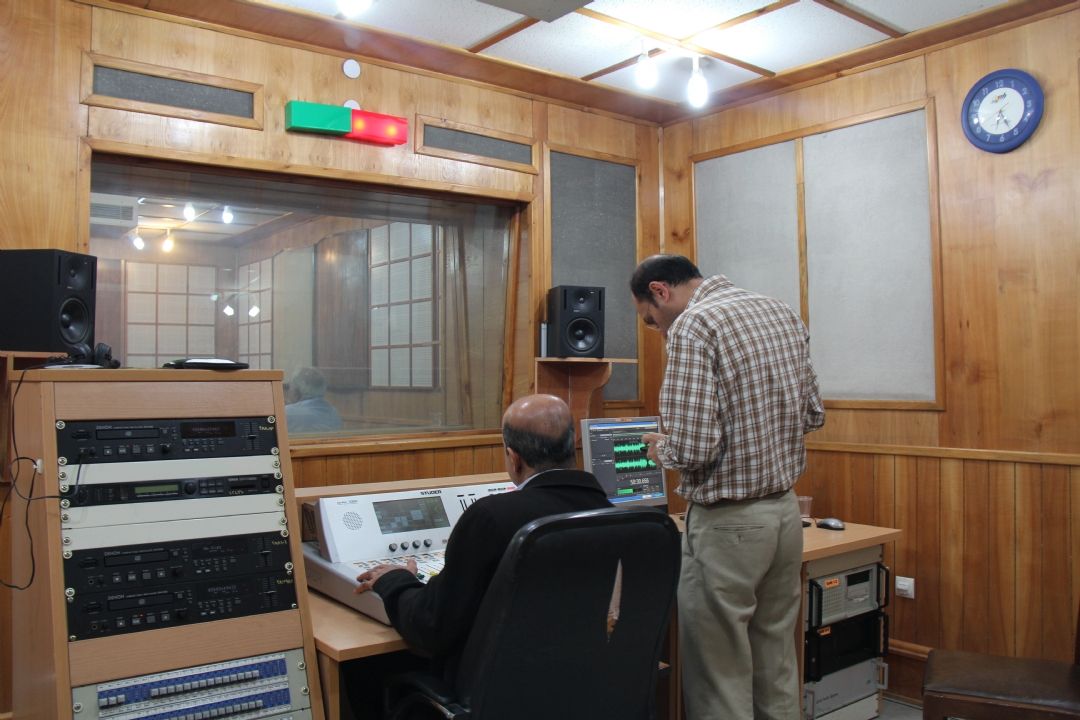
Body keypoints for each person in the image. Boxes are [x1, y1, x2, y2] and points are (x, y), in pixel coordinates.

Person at [630, 254, 825, 720]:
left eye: (650, 320)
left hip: (728, 524)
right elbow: (813, 413)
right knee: (776, 658)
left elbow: (695, 448)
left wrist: (661, 448)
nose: (658, 331)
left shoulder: (694, 325)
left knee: (720, 671)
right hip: (784, 515)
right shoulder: (780, 311)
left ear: (660, 291)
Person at [350, 394, 611, 712]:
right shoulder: (612, 514)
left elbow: (432, 626)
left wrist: (396, 581)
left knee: (362, 673)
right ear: (572, 446)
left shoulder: (491, 517)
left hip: (502, 698)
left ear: (513, 458)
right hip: (583, 691)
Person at [284, 367, 342, 433]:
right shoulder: (334, 412)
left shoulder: (286, 412)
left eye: (290, 387)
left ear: (296, 390)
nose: (289, 391)